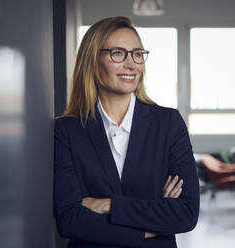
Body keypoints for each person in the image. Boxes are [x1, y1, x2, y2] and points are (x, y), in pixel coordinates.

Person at [54, 16, 199, 248]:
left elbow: (186, 213)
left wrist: (107, 205)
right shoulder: (67, 130)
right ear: (92, 61)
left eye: (137, 54)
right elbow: (70, 219)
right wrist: (151, 225)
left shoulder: (169, 123)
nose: (131, 64)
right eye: (118, 53)